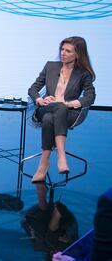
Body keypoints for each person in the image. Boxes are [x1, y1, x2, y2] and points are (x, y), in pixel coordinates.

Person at [28, 36, 96, 183]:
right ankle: (61, 156)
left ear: (78, 54)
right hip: (45, 108)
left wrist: (69, 104)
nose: (63, 53)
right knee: (52, 111)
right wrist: (40, 99)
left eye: (68, 51)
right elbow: (33, 89)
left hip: (69, 113)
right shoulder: (50, 66)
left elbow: (90, 97)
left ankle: (43, 163)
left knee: (51, 117)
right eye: (62, 49)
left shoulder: (83, 73)